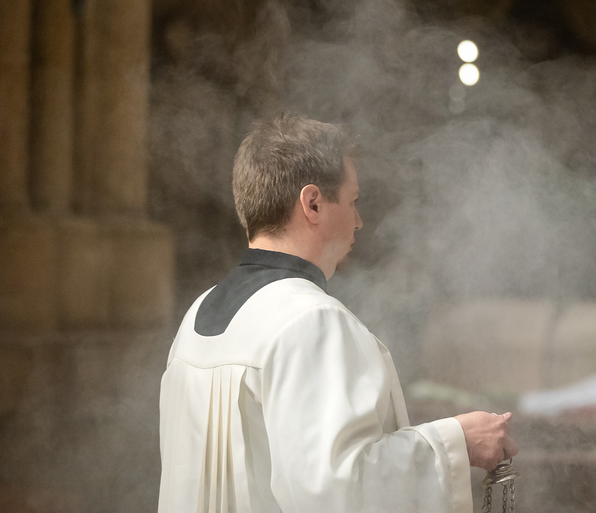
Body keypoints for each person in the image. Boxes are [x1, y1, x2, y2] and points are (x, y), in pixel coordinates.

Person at [158, 113, 517, 513]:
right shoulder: (311, 320)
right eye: (352, 201)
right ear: (312, 203)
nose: (359, 221)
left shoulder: (197, 314)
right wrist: (457, 442)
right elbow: (339, 492)